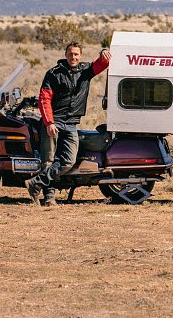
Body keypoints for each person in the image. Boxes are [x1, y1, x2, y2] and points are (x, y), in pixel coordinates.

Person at [26, 42, 111, 206]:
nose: (74, 57)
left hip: (71, 124)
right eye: (71, 54)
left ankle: (35, 183)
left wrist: (103, 52)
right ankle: (49, 198)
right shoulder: (53, 73)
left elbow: (103, 63)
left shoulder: (86, 71)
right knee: (48, 161)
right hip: (54, 122)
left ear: (81, 55)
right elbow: (44, 99)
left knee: (68, 161)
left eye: (77, 54)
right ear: (65, 55)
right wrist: (49, 122)